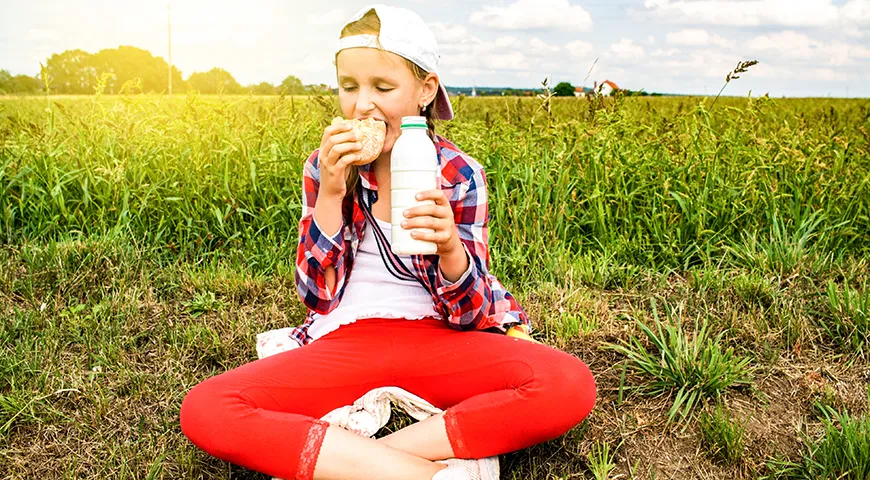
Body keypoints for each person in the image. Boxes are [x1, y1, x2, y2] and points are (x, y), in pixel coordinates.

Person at [179, 5, 596, 480]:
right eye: (349, 86)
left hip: (439, 336)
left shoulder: (460, 173)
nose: (362, 105)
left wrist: (450, 251)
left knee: (567, 383)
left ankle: (369, 460)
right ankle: (427, 474)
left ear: (425, 90)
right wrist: (331, 197)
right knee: (207, 407)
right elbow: (317, 296)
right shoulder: (324, 166)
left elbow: (470, 314)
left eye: (383, 87)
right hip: (348, 338)